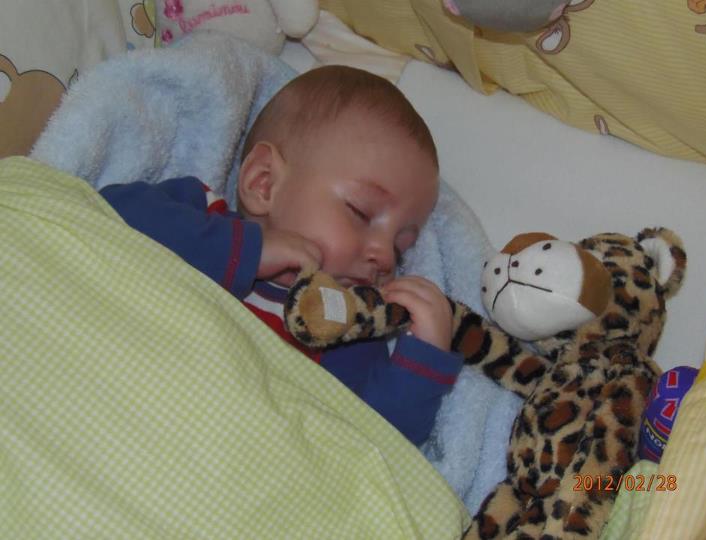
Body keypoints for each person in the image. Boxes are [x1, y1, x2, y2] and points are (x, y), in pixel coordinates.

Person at [99, 65, 462, 446]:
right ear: (264, 183)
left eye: (400, 250)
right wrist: (246, 251)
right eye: (361, 212)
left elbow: (380, 446)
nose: (384, 257)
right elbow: (105, 217)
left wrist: (424, 359)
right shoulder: (200, 215)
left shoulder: (346, 338)